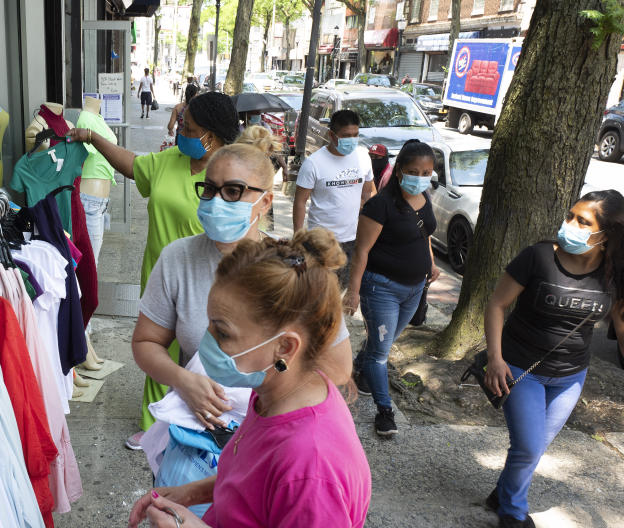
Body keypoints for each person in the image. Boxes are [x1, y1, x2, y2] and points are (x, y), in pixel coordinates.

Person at [126, 229, 372, 528]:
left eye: (222, 333)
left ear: (285, 348)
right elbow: (255, 481)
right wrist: (194, 493)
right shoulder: (273, 395)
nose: (207, 343)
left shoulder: (312, 465)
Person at [133, 126, 353, 434]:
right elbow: (146, 341)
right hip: (196, 432)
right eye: (209, 189)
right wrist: (183, 380)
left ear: (265, 202)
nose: (216, 201)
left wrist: (264, 387)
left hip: (273, 431)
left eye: (233, 191)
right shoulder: (178, 257)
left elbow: (339, 369)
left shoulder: (295, 268)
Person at [67, 92, 242, 444]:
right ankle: (153, 427)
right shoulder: (171, 159)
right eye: (181, 123)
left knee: (203, 358)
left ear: (210, 135)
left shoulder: (231, 176)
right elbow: (132, 165)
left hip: (209, 283)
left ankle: (207, 424)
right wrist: (93, 138)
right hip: (160, 276)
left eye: (188, 127)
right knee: (157, 348)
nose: (179, 130)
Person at [483, 190, 624, 528]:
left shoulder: (615, 274)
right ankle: (511, 516)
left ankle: (501, 494)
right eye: (570, 216)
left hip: (570, 374)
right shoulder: (538, 257)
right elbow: (497, 304)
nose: (571, 226)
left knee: (534, 448)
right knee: (528, 446)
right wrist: (495, 359)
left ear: (605, 235)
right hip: (520, 366)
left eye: (583, 222)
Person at [344, 139, 440, 438]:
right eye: (413, 171)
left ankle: (359, 367)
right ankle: (385, 411)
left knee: (381, 344)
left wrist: (432, 264)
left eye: (426, 172)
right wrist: (354, 291)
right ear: (399, 172)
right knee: (381, 354)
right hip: (381, 288)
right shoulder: (380, 205)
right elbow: (361, 251)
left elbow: (424, 236)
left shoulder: (424, 197)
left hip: (414, 289)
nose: (420, 177)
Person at [293, 109, 376, 286]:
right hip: (320, 242)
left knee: (341, 290)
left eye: (356, 135)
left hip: (350, 240)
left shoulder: (363, 157)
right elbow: (300, 201)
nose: (352, 140)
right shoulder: (314, 163)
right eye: (346, 136)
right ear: (332, 135)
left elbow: (367, 192)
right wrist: (298, 238)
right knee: (317, 290)